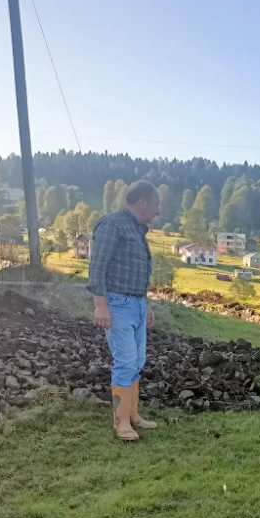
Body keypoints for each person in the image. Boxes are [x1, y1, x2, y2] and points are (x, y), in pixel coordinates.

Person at [88, 180, 161, 441]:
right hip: (118, 305)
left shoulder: (137, 230)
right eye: (155, 205)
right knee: (126, 362)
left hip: (137, 305)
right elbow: (97, 267)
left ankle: (133, 415)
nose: (157, 212)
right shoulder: (112, 224)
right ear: (141, 202)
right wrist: (100, 306)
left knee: (137, 362)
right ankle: (121, 422)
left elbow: (137, 272)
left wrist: (146, 305)